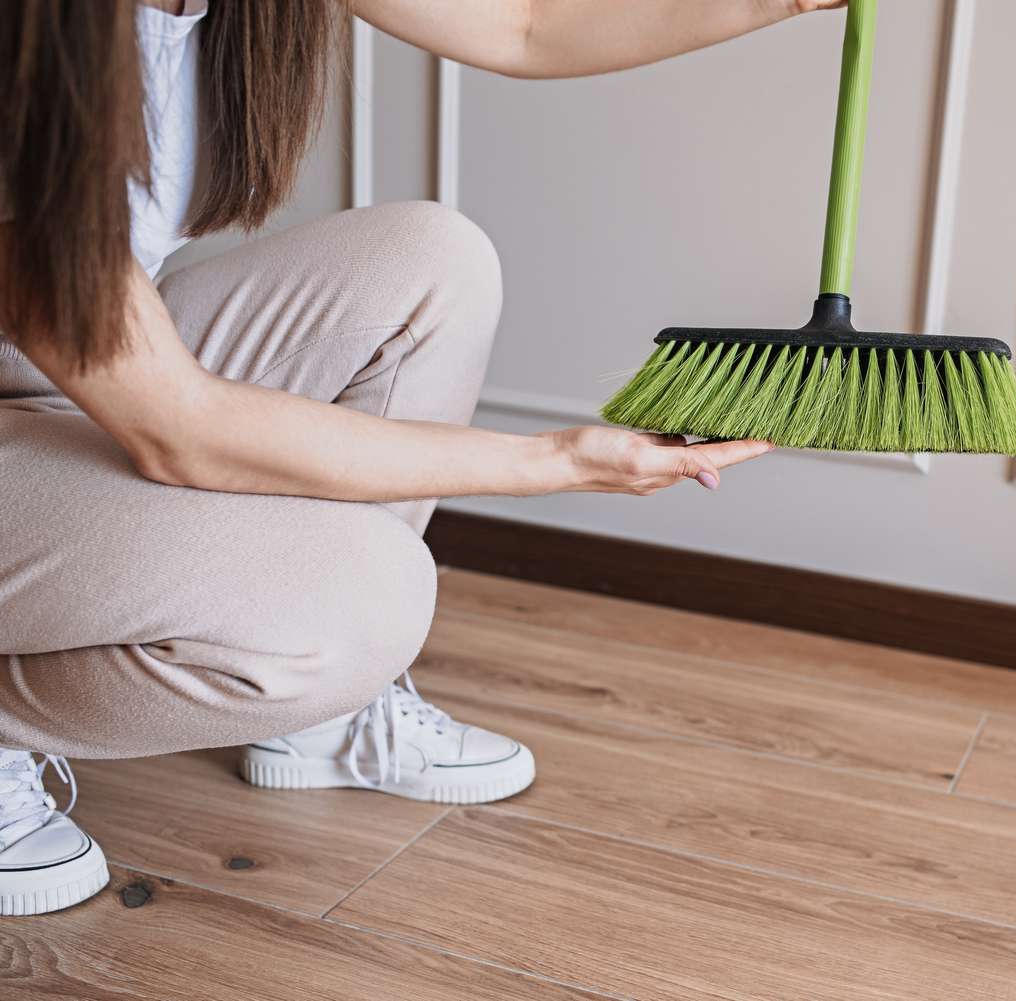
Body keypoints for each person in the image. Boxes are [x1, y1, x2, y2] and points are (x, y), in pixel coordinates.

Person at [0, 0, 835, 916]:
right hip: (102, 387)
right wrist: (559, 459)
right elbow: (182, 431)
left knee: (435, 264)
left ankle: (319, 717)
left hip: (64, 363)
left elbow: (526, 27)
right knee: (364, 599)